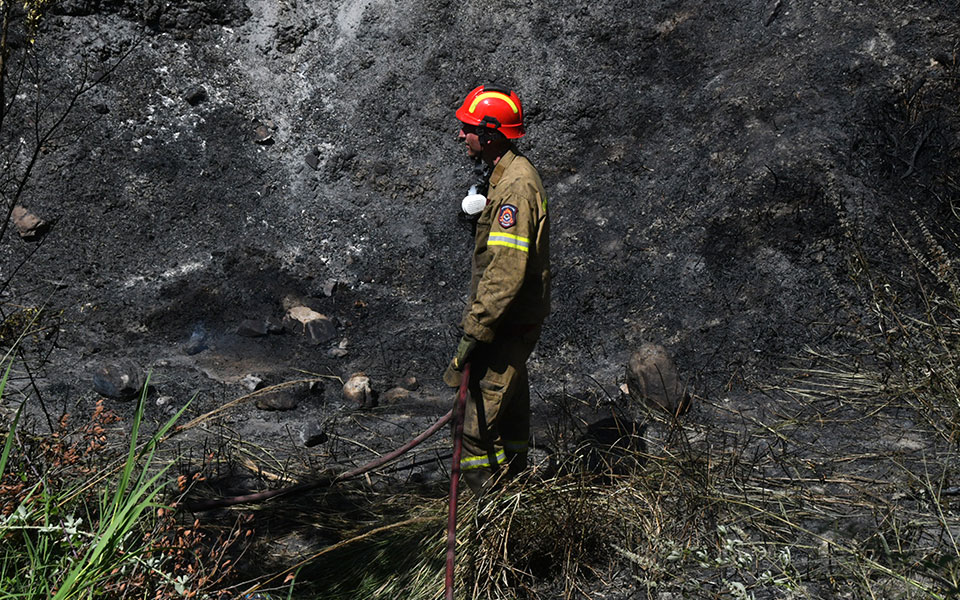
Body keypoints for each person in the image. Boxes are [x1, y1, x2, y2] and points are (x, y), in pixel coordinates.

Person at [443, 84, 550, 494]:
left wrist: (474, 330)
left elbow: (506, 272)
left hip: (504, 324)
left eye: (467, 128)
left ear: (489, 134)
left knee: (475, 428)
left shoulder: (516, 189)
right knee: (510, 417)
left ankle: (485, 515)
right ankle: (518, 490)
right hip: (510, 322)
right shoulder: (506, 178)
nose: (460, 135)